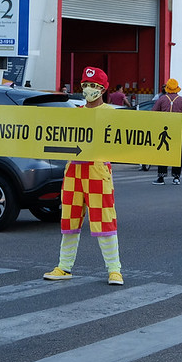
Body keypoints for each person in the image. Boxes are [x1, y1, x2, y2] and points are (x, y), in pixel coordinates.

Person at [44, 66, 123, 286]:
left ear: (103, 89)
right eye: (86, 85)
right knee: (69, 222)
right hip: (73, 171)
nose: (89, 89)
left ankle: (114, 270)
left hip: (97, 170)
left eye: (94, 86)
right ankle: (64, 266)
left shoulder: (111, 113)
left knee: (105, 220)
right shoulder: (75, 113)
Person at [152, 78, 182, 185]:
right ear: (177, 89)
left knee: (163, 153)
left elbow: (153, 113)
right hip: (178, 130)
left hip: (164, 127)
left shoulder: (162, 99)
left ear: (167, 89)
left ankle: (161, 177)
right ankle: (176, 177)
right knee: (178, 154)